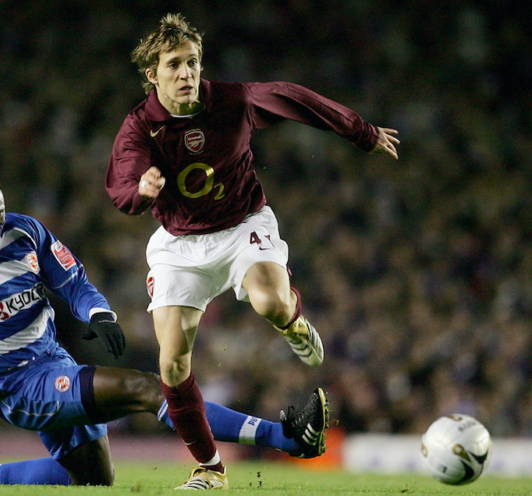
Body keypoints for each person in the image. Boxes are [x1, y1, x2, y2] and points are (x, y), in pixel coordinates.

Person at [0, 166, 328, 487]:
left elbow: (70, 278)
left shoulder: (24, 231)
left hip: (56, 362)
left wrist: (98, 313)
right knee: (147, 388)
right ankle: (287, 437)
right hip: (18, 385)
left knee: (93, 479)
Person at [106, 13, 399, 489]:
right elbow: (121, 183)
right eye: (174, 65)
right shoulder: (140, 126)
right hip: (179, 244)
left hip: (242, 225)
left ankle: (293, 322)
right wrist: (141, 191)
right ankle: (210, 468)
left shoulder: (232, 101)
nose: (186, 73)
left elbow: (293, 98)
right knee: (171, 364)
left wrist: (359, 131)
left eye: (193, 62)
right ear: (152, 75)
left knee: (270, 302)